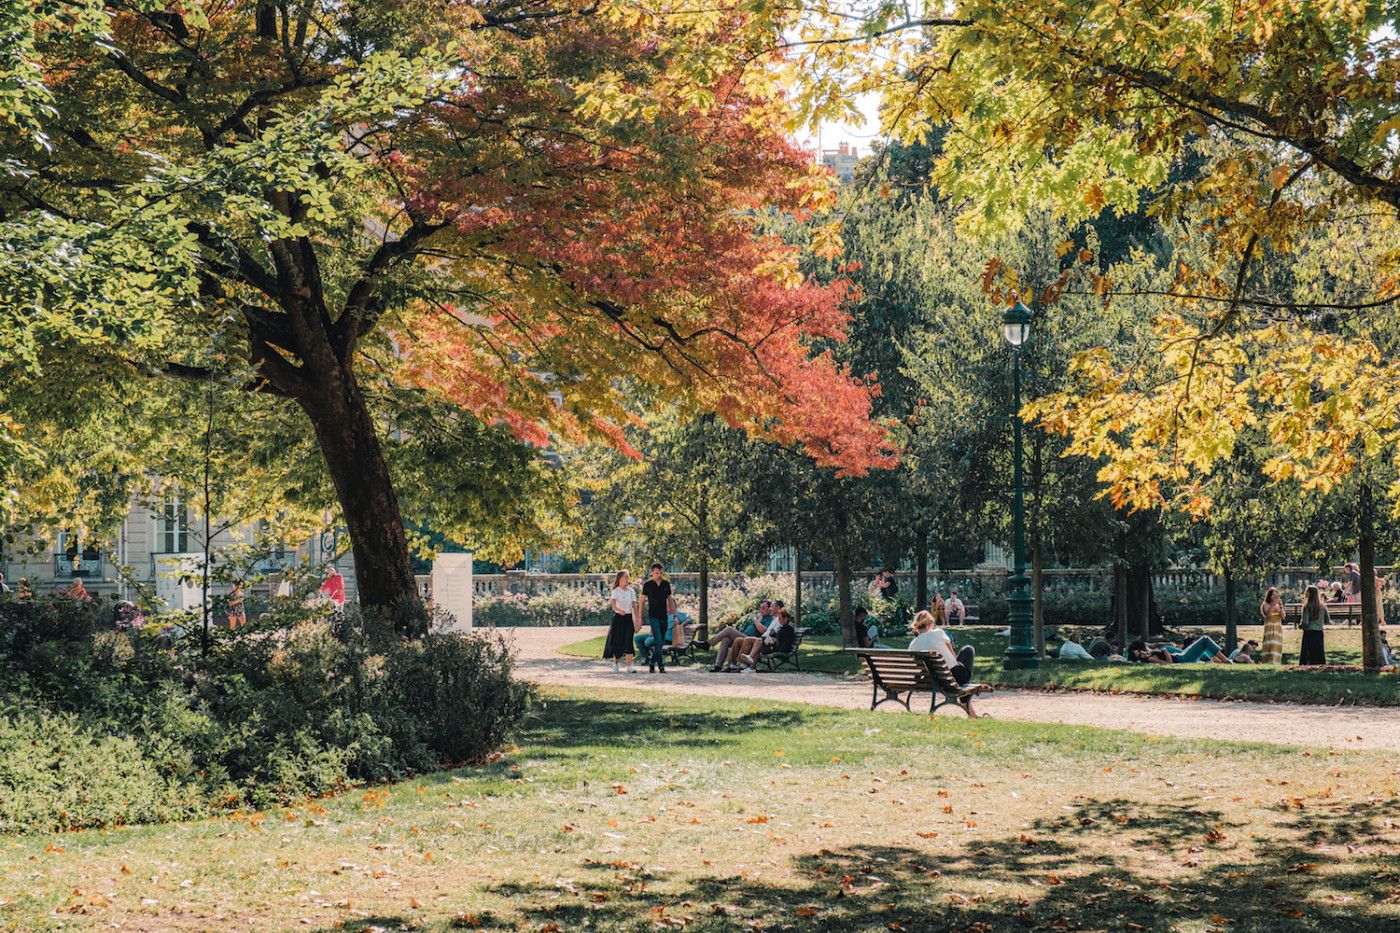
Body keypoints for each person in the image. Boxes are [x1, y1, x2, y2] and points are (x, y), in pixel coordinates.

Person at [908, 610, 975, 684]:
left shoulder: (913, 644)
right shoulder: (938, 632)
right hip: (953, 677)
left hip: (931, 680)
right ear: (929, 625)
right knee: (968, 649)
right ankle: (965, 694)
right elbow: (953, 655)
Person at [640, 563, 674, 674]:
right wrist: (639, 617)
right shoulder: (648, 585)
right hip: (653, 616)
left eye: (660, 573)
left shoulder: (665, 584)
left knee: (660, 642)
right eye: (656, 573)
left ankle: (651, 662)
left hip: (664, 616)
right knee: (658, 640)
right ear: (652, 573)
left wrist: (674, 615)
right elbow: (642, 601)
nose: (658, 575)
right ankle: (661, 666)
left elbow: (670, 600)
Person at [603, 570, 637, 673]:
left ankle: (630, 666)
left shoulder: (631, 591)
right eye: (625, 577)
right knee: (618, 641)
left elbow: (634, 605)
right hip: (619, 618)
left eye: (628, 577)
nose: (627, 579)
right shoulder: (616, 591)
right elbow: (613, 605)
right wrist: (618, 610)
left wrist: (637, 618)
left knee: (629, 640)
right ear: (620, 578)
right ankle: (615, 663)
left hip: (628, 618)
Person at [1300, 584, 1328, 665]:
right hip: (1319, 631)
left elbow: (1305, 622)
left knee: (1308, 652)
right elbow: (1327, 620)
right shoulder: (1323, 606)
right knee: (1319, 651)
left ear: (1309, 593)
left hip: (1309, 631)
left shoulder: (1307, 606)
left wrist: (1301, 625)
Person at [1259, 587, 1285, 664]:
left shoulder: (1278, 605)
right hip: (1270, 628)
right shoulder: (1265, 604)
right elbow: (1269, 614)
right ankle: (1267, 662)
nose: (1275, 597)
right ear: (1269, 595)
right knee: (1270, 645)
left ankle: (1276, 662)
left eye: (1276, 595)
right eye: (1273, 595)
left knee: (1277, 645)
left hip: (1277, 628)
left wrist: (1281, 606)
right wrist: (1273, 604)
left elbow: (1283, 616)